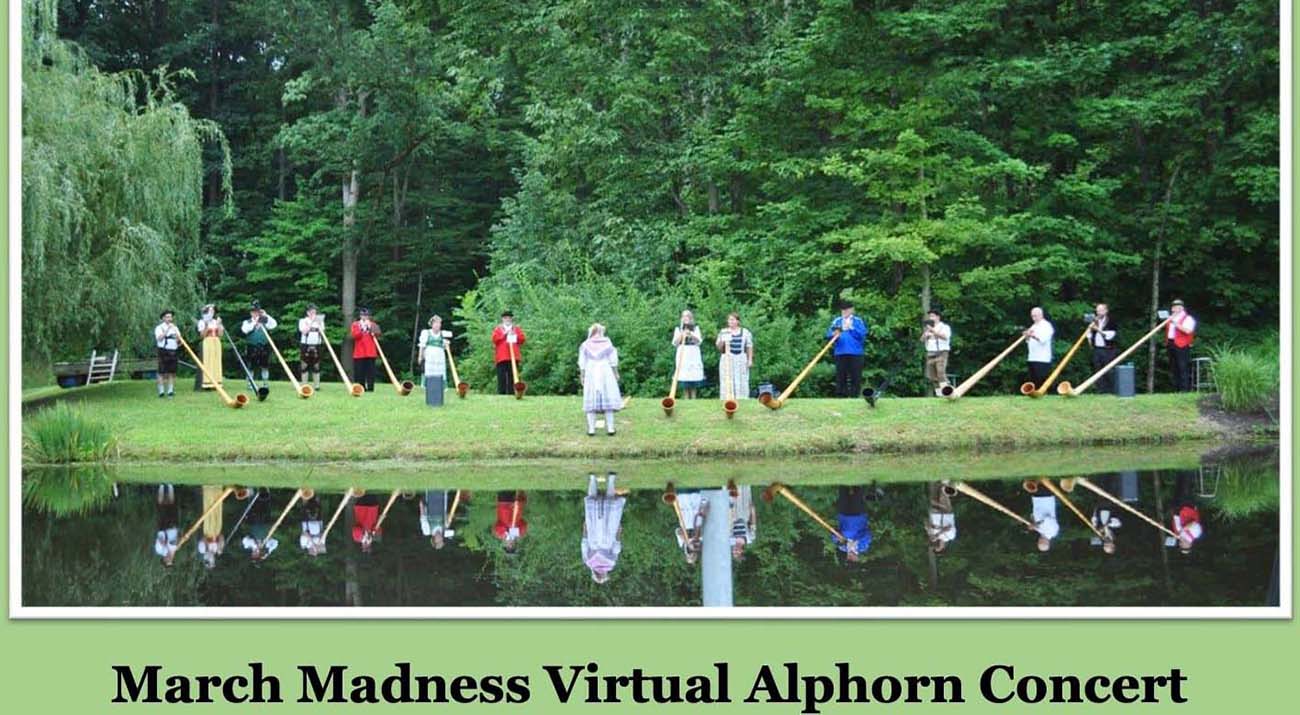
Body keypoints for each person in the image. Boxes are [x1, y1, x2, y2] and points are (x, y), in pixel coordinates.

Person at [579, 324, 623, 436]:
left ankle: (591, 430)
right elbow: (613, 360)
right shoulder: (607, 343)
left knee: (591, 397)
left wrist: (582, 375)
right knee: (607, 396)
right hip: (605, 371)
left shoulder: (585, 345)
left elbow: (582, 362)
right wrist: (616, 373)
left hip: (591, 370)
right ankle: (611, 429)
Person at [583, 473, 626, 583]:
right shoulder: (588, 562)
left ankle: (610, 479)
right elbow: (584, 544)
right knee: (593, 504)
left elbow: (616, 547)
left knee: (610, 506)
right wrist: (585, 530)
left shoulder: (609, 564)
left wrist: (618, 533)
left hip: (606, 537)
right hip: (595, 537)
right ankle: (594, 479)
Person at [827, 301, 868, 398]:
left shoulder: (858, 321)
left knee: (856, 376)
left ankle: (854, 396)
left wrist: (851, 327)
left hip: (856, 353)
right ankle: (841, 397)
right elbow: (829, 334)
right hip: (840, 352)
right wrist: (833, 334)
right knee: (841, 376)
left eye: (846, 309)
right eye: (842, 309)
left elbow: (862, 335)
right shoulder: (837, 321)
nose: (844, 311)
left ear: (852, 310)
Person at [716, 313, 754, 400]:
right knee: (727, 378)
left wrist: (750, 360)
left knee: (741, 378)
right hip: (727, 358)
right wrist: (723, 340)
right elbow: (718, 347)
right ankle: (727, 398)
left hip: (740, 358)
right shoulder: (723, 331)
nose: (731, 322)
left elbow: (749, 346)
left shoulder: (745, 332)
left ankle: (742, 398)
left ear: (738, 321)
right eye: (729, 320)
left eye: (733, 320)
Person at [240, 301, 278, 389]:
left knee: (265, 366)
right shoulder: (247, 322)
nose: (255, 313)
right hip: (252, 346)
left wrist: (266, 315)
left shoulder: (265, 321)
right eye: (254, 312)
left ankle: (265, 383)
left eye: (257, 311)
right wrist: (255, 322)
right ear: (251, 313)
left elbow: (274, 325)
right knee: (251, 366)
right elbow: (245, 330)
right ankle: (250, 384)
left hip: (264, 346)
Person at [1086, 304, 1120, 394]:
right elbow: (1089, 335)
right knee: (1097, 369)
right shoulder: (1094, 322)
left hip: (1108, 349)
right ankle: (1101, 390)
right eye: (1097, 311)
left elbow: (1109, 336)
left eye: (1101, 310)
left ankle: (1112, 390)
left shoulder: (1111, 321)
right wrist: (1089, 335)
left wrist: (1097, 329)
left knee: (1109, 370)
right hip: (1097, 349)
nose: (1099, 312)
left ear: (1106, 311)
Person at [833, 486, 873, 562]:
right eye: (852, 559)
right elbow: (868, 534)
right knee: (858, 494)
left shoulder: (842, 547)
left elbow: (834, 534)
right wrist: (855, 542)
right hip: (858, 515)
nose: (850, 557)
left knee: (843, 493)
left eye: (848, 559)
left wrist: (837, 537)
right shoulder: (863, 547)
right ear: (857, 558)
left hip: (843, 515)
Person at [671, 310, 705, 399]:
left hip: (693, 353)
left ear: (691, 318)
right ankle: (686, 396)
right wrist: (682, 334)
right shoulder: (678, 329)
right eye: (684, 316)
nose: (685, 318)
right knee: (684, 374)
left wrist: (691, 334)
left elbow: (699, 341)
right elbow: (675, 343)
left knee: (693, 374)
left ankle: (694, 397)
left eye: (687, 316)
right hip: (683, 352)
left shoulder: (696, 328)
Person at [1165, 299, 1198, 392]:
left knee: (1182, 367)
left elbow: (1187, 331)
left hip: (1182, 345)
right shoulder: (1171, 317)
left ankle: (1184, 390)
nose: (1173, 309)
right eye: (1173, 307)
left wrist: (1175, 323)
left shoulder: (1188, 318)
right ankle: (1176, 389)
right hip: (1171, 343)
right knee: (1173, 367)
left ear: (1181, 308)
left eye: (1175, 307)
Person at [418, 315, 451, 407]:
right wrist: (420, 356)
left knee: (440, 371)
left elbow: (445, 347)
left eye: (439, 323)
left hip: (439, 355)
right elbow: (422, 346)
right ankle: (429, 388)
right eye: (436, 323)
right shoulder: (426, 333)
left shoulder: (443, 334)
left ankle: (440, 389)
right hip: (430, 355)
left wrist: (446, 344)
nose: (438, 325)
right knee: (429, 371)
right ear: (432, 324)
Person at [1167, 471, 1204, 553]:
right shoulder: (1196, 534)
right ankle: (1188, 469)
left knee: (1178, 487)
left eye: (1181, 547)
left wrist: (1174, 512)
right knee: (1186, 486)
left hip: (1177, 509)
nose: (1181, 545)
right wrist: (1183, 530)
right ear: (1189, 545)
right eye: (1184, 547)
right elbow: (1194, 524)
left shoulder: (1178, 535)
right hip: (1188, 506)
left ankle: (1180, 470)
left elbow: (1175, 522)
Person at [491, 311, 527, 395]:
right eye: (505, 318)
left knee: (513, 376)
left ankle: (512, 393)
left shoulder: (516, 329)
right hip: (501, 357)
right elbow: (494, 339)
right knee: (501, 377)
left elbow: (522, 339)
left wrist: (516, 335)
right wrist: (504, 334)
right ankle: (501, 394)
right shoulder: (498, 329)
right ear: (502, 319)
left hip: (514, 356)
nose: (507, 319)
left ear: (511, 319)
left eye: (509, 318)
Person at [671, 487, 708, 564]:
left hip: (683, 506)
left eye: (689, 556)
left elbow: (678, 531)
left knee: (682, 488)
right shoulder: (701, 542)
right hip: (696, 505)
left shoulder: (682, 544)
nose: (691, 554)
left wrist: (686, 540)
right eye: (693, 556)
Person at [921, 309, 952, 396]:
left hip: (941, 352)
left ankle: (948, 392)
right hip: (930, 353)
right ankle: (939, 394)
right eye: (930, 316)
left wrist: (933, 331)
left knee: (940, 372)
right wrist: (925, 335)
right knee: (932, 376)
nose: (931, 318)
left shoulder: (945, 327)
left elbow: (945, 337)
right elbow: (921, 340)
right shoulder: (928, 328)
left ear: (938, 317)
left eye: (932, 316)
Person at [1088, 475, 1122, 554]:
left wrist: (1095, 522)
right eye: (1108, 546)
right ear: (1113, 545)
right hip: (1110, 505)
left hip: (1100, 506)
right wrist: (1104, 527)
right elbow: (1115, 522)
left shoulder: (1099, 534)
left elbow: (1094, 519)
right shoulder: (1117, 532)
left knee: (1101, 486)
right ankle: (1112, 474)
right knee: (1112, 486)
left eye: (1105, 546)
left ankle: (1102, 475)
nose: (1105, 544)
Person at [240, 489, 276, 561]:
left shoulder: (248, 546)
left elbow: (245, 539)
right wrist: (268, 552)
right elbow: (275, 542)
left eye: (254, 555)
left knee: (253, 506)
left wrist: (256, 545)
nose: (255, 554)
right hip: (265, 523)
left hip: (254, 522)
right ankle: (265, 490)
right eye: (256, 555)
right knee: (265, 505)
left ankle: (251, 491)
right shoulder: (267, 545)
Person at [1023, 307, 1054, 390]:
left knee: (1041, 380)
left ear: (1041, 315)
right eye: (1032, 316)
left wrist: (1032, 335)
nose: (1034, 318)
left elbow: (1043, 339)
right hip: (1032, 357)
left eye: (1035, 316)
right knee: (1033, 380)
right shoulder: (1033, 326)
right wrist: (1027, 336)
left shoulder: (1046, 326)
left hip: (1042, 358)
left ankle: (1043, 395)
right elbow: (1028, 341)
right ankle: (1034, 395)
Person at [350, 308, 381, 392]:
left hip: (370, 352)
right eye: (363, 315)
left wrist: (370, 327)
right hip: (359, 352)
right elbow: (355, 336)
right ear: (360, 316)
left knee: (371, 372)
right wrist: (362, 328)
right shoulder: (355, 324)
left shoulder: (373, 324)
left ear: (368, 316)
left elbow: (378, 334)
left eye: (366, 315)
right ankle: (361, 388)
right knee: (360, 372)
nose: (364, 317)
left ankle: (370, 388)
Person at [194, 304, 224, 391]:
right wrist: (206, 325)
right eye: (210, 311)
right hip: (207, 342)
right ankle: (206, 383)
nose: (212, 312)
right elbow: (202, 335)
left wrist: (219, 324)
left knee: (216, 362)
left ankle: (216, 382)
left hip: (216, 342)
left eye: (213, 311)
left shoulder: (216, 321)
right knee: (207, 362)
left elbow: (220, 334)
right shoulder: (202, 322)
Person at [197, 485, 226, 569]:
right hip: (217, 530)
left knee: (209, 509)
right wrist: (220, 546)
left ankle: (208, 490)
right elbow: (222, 536)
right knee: (218, 509)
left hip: (208, 530)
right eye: (213, 561)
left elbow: (203, 539)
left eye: (211, 561)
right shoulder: (217, 550)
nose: (212, 559)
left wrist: (210, 542)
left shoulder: (202, 550)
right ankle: (217, 489)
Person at [153, 310, 180, 398]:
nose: (169, 319)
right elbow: (159, 338)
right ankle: (161, 391)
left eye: (170, 317)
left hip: (173, 351)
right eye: (167, 317)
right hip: (163, 350)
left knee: (172, 372)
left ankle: (170, 391)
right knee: (161, 372)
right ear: (163, 318)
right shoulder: (159, 328)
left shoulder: (175, 328)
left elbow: (179, 340)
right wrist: (168, 329)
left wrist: (178, 338)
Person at [298, 305, 325, 390]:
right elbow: (303, 331)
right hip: (305, 344)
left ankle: (316, 385)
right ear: (308, 313)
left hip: (317, 344)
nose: (314, 314)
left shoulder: (319, 321)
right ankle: (304, 385)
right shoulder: (303, 321)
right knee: (304, 365)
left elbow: (322, 331)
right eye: (312, 312)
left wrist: (319, 323)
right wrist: (311, 322)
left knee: (316, 365)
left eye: (315, 312)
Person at [926, 482, 957, 553]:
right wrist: (937, 534)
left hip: (935, 511)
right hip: (946, 511)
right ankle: (951, 481)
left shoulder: (933, 536)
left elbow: (926, 522)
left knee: (935, 488)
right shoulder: (950, 537)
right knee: (943, 491)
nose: (936, 544)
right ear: (943, 547)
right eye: (938, 547)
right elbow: (949, 527)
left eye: (935, 546)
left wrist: (928, 529)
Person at [729, 484, 757, 561]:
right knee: (745, 494)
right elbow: (753, 524)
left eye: (734, 552)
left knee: (733, 494)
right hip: (745, 515)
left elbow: (729, 525)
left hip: (734, 515)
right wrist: (753, 511)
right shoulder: (750, 538)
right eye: (737, 553)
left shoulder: (730, 538)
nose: (734, 551)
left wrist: (730, 513)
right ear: (742, 551)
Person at [154, 484, 179, 567]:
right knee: (172, 505)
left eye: (168, 560)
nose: (170, 559)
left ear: (164, 559)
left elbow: (160, 540)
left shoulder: (159, 551)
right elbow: (175, 541)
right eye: (171, 560)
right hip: (173, 527)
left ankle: (161, 487)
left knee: (161, 505)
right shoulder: (172, 551)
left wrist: (164, 544)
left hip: (164, 528)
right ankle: (170, 486)